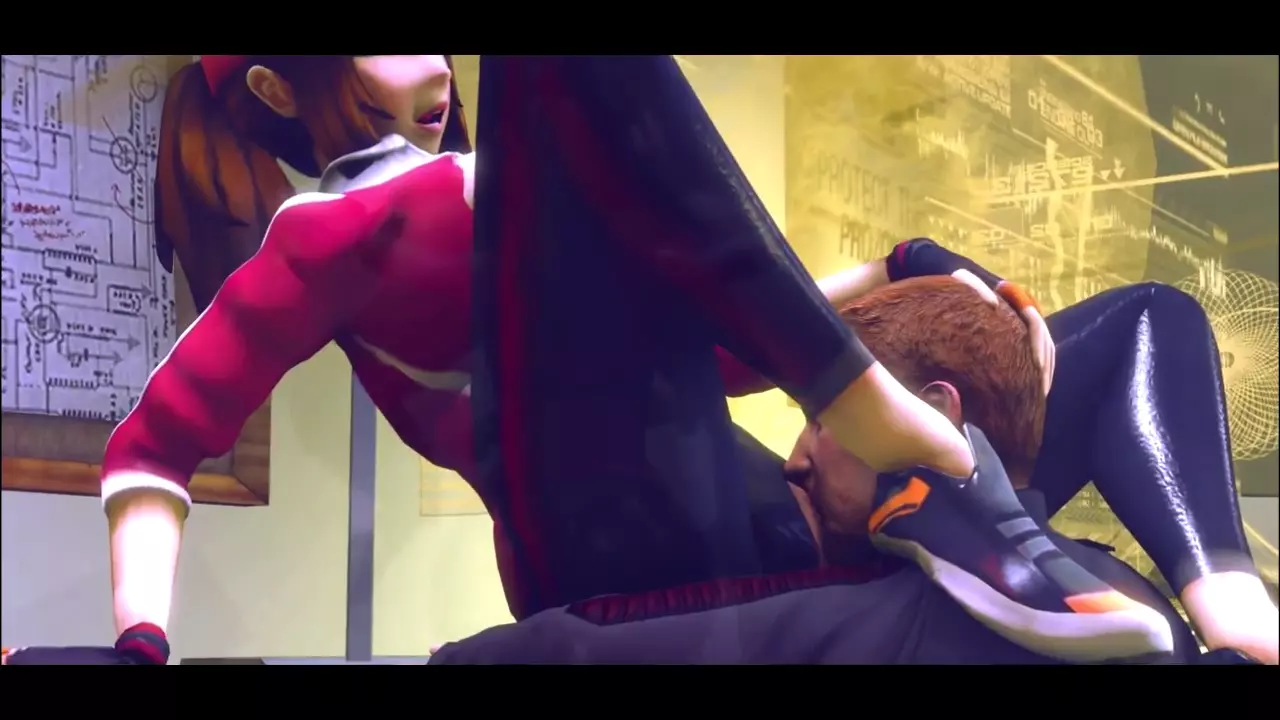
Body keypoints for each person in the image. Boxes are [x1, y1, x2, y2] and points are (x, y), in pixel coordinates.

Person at [16, 56, 1154, 665]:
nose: (438, 63)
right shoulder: (334, 236)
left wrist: (902, 268)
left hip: (745, 498)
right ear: (278, 88)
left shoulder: (500, 192)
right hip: (610, 530)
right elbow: (153, 447)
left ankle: (1200, 603)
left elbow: (707, 336)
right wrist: (139, 644)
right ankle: (907, 447)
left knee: (1142, 319)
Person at [427, 277, 1270, 664]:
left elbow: (592, 644)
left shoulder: (873, 621)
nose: (798, 454)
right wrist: (914, 262)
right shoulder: (1137, 607)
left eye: (820, 420)